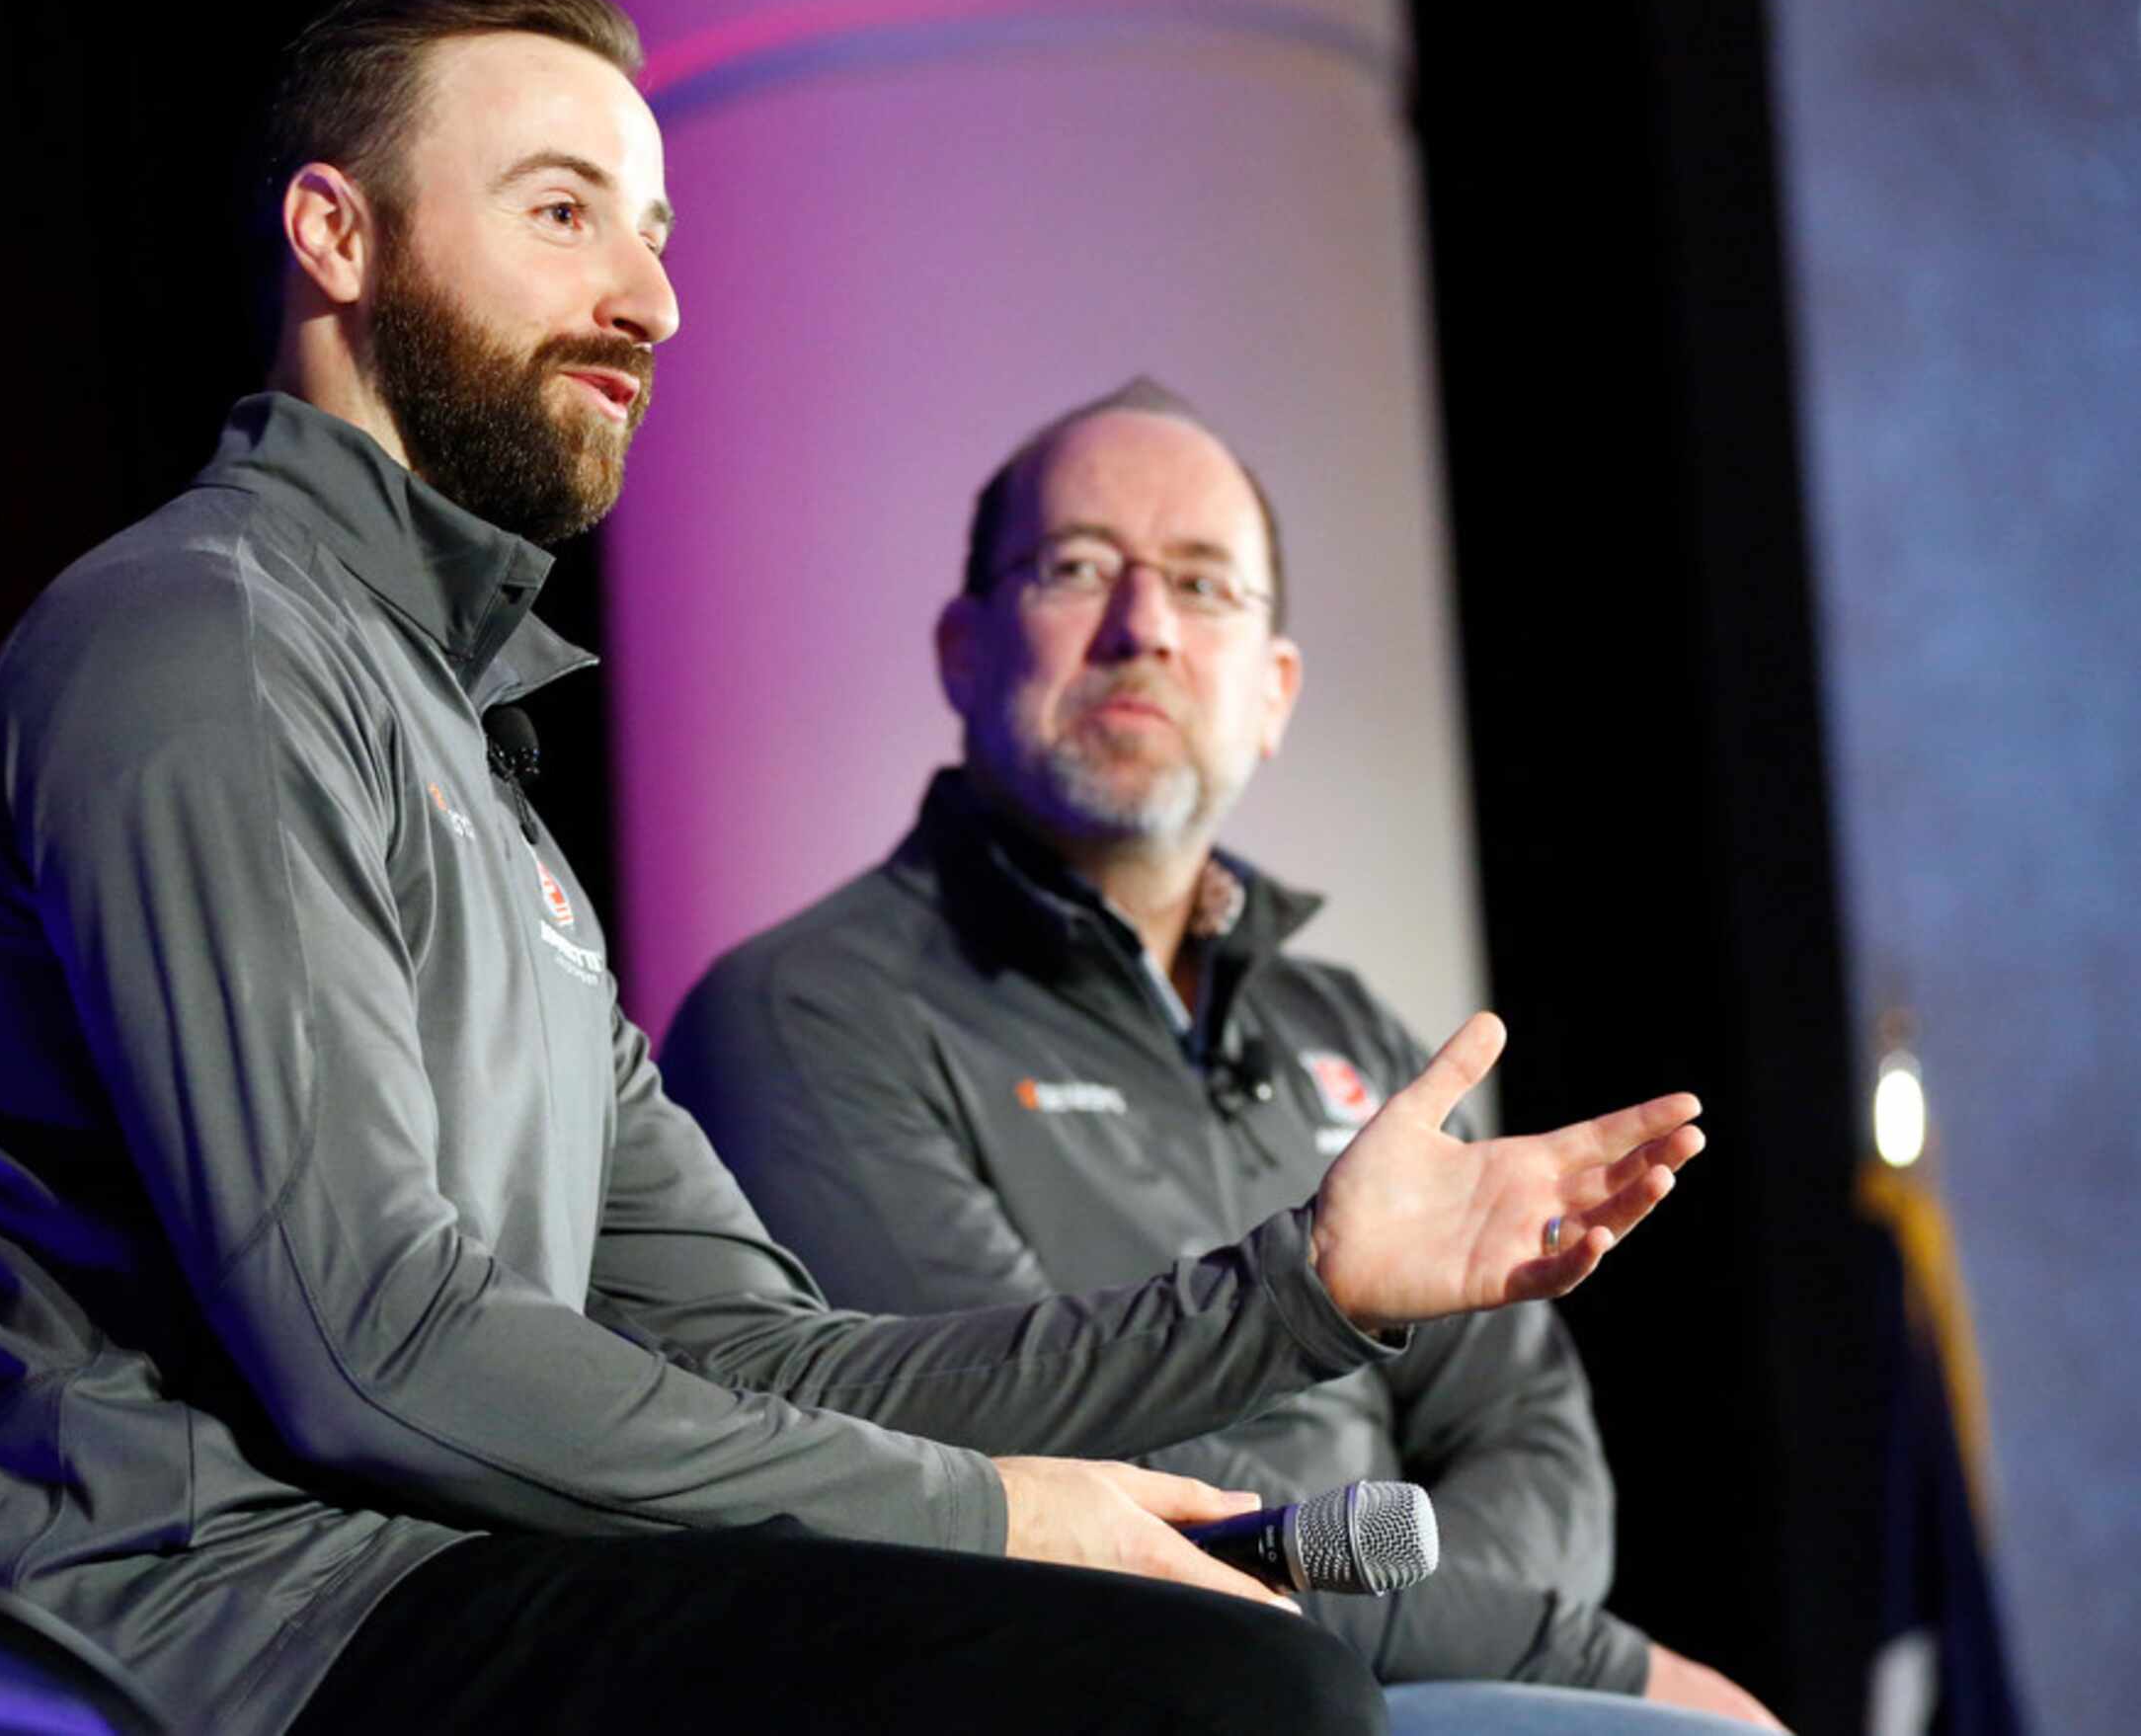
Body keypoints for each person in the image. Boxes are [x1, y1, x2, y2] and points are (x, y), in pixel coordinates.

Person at [0, 0, 1705, 1736]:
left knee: (1229, 1664)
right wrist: (995, 1513)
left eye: (657, 230)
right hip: (232, 1628)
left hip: (436, 1571)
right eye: (564, 213)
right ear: (336, 235)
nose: (653, 300)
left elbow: (777, 1355)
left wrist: (1302, 1288)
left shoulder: (462, 756)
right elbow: (370, 1339)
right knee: (1212, 1685)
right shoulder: (206, 646)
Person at [659, 380, 1784, 1730]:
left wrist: (1492, 1649)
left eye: (1204, 587)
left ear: (1275, 690)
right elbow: (1045, 1464)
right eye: (1078, 568)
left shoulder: (1356, 1033)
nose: (1144, 629)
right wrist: (1597, 1666)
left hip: (1410, 1681)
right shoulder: (804, 1013)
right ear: (963, 647)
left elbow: (1529, 1441)